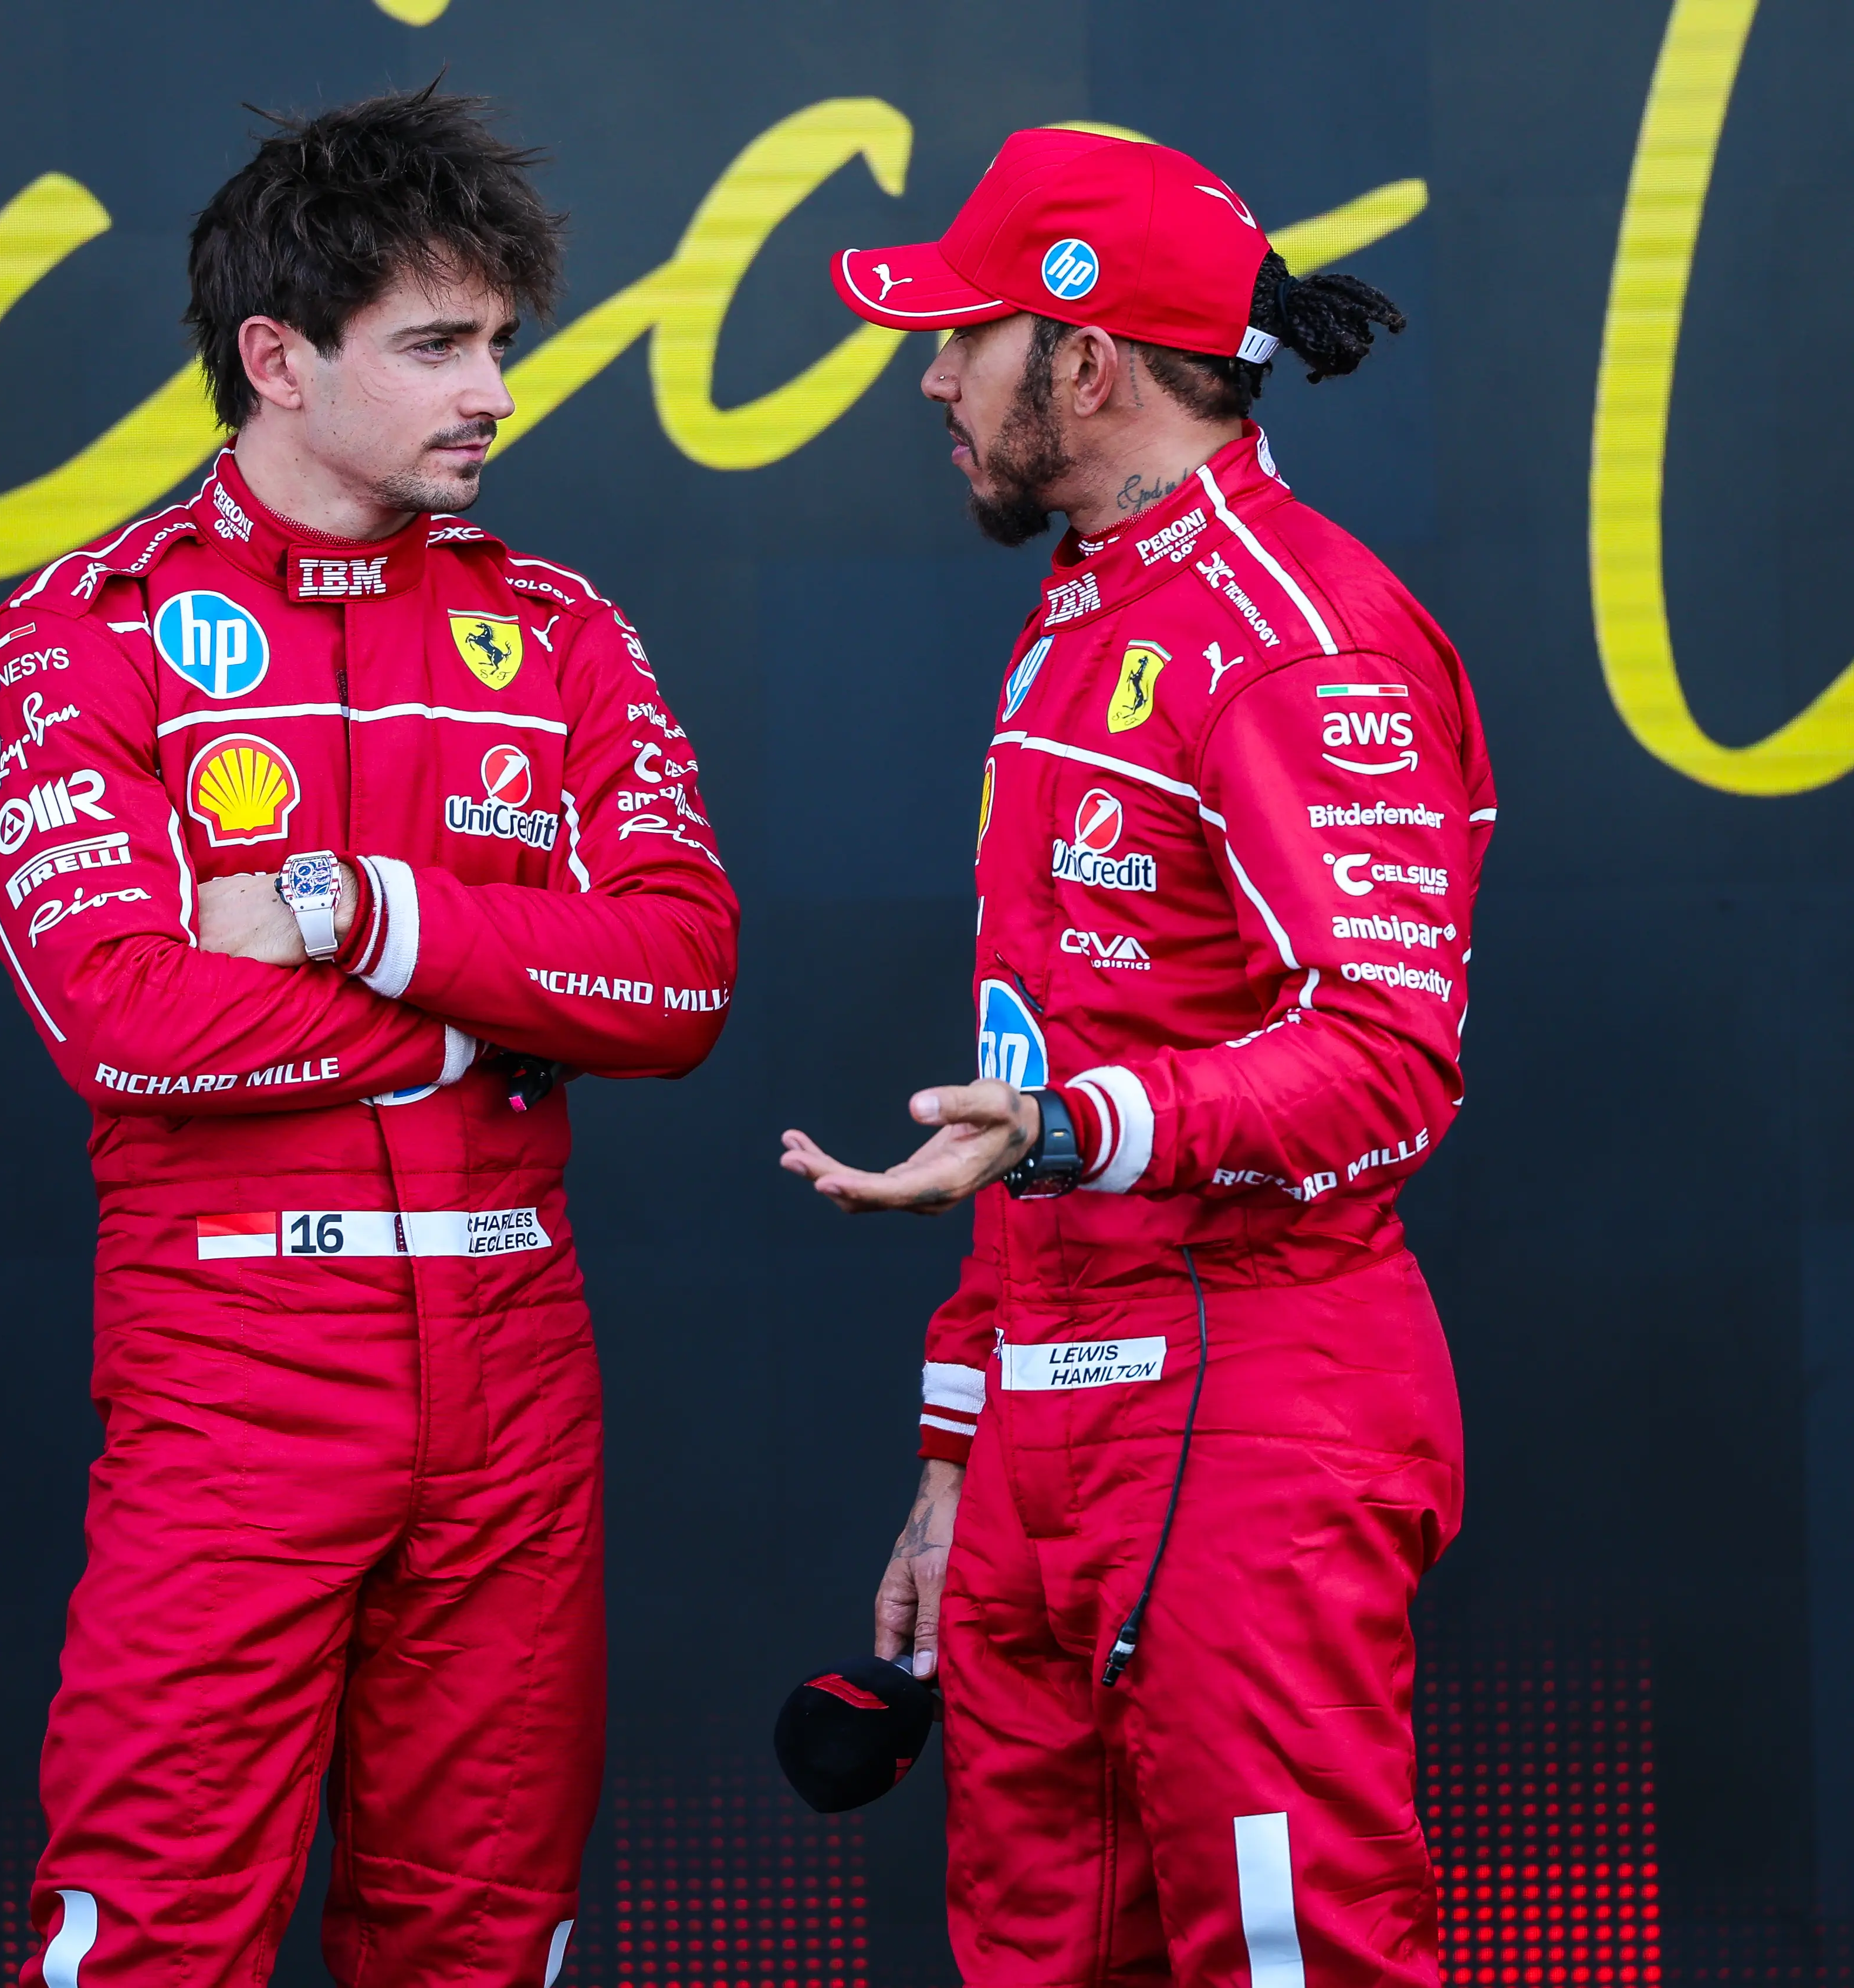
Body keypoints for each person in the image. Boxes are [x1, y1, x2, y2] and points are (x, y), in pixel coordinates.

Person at [0, 86, 737, 1988]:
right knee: (150, 1932)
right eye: (438, 345)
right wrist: (494, 1005)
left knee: (485, 1938)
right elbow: (128, 1019)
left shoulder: (561, 634)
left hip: (514, 1370)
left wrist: (356, 914)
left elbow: (681, 981)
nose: (491, 391)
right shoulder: (83, 632)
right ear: (277, 360)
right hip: (232, 1371)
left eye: (501, 345)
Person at [783, 128, 1493, 1986]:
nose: (929, 375)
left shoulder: (1295, 637)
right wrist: (959, 1446)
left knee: (1288, 1955)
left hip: (1253, 1396)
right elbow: (1031, 1076)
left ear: (1086, 361)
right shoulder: (1084, 608)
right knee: (1033, 1955)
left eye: (962, 335)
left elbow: (1385, 1056)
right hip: (1048, 1423)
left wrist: (1076, 1127)